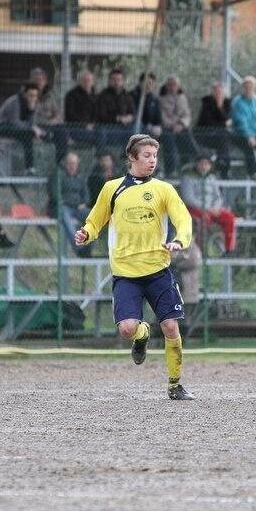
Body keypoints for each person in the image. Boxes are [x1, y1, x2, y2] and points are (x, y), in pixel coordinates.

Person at [75, 134, 194, 400]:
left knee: (172, 327)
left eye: (155, 156)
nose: (152, 161)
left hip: (158, 270)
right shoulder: (112, 189)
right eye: (147, 156)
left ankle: (175, 385)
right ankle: (142, 334)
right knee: (127, 329)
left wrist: (179, 240)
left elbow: (183, 220)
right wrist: (86, 232)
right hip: (126, 273)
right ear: (132, 158)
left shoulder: (164, 190)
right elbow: (95, 221)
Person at [180, 153, 236, 254]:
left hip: (212, 209)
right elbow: (188, 198)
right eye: (202, 163)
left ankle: (229, 250)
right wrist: (206, 208)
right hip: (195, 209)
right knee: (204, 219)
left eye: (206, 164)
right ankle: (200, 253)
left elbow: (218, 197)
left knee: (229, 217)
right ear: (196, 164)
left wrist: (216, 207)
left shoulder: (212, 178)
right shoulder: (188, 177)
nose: (204, 166)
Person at [0, 82, 43, 175]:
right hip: (1, 127)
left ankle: (29, 168)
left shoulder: (34, 103)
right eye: (31, 95)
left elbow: (31, 122)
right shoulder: (15, 101)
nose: (33, 98)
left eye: (35, 95)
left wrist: (31, 110)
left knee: (28, 137)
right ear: (25, 94)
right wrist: (31, 127)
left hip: (17, 129)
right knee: (29, 132)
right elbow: (15, 123)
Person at [50, 152, 91, 258]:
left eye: (75, 164)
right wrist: (74, 203)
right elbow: (56, 196)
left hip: (79, 208)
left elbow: (86, 195)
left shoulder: (80, 177)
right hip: (63, 208)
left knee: (94, 216)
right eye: (70, 163)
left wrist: (84, 203)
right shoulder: (58, 175)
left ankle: (88, 247)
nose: (72, 166)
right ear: (65, 164)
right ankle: (78, 247)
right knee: (64, 213)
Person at [158, 76, 195, 176]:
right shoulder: (161, 100)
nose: (172, 87)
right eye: (170, 85)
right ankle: (170, 170)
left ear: (178, 86)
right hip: (167, 128)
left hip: (181, 127)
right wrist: (173, 125)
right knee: (169, 141)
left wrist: (181, 124)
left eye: (174, 85)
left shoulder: (183, 99)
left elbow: (187, 115)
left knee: (187, 137)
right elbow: (162, 116)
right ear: (166, 86)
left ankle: (188, 164)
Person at [196, 81, 231, 177]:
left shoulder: (227, 103)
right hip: (206, 135)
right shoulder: (206, 103)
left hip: (221, 136)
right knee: (224, 135)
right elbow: (208, 122)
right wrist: (223, 122)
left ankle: (222, 164)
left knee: (225, 137)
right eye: (216, 92)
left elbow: (228, 119)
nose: (218, 94)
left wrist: (220, 107)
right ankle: (221, 163)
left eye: (220, 92)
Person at [95, 68, 135, 151]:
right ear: (109, 81)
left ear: (123, 81)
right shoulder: (103, 96)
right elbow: (101, 116)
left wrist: (130, 117)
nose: (116, 82)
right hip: (108, 127)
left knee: (135, 129)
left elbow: (133, 112)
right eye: (114, 79)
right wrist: (118, 118)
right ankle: (104, 157)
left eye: (119, 79)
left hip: (124, 128)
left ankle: (128, 157)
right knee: (101, 131)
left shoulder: (127, 96)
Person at [63, 70, 98, 152]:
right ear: (79, 81)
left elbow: (98, 113)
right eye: (84, 80)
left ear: (93, 82)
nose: (87, 83)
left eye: (89, 80)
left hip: (94, 128)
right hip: (76, 129)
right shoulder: (71, 95)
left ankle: (105, 160)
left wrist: (93, 124)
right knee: (99, 137)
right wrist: (85, 125)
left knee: (103, 134)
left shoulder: (95, 96)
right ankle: (105, 161)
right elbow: (70, 115)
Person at [131, 72, 162, 139]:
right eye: (146, 83)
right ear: (140, 83)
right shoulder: (132, 96)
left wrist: (157, 125)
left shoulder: (154, 99)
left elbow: (158, 117)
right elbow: (134, 113)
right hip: (136, 126)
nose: (148, 86)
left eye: (150, 83)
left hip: (151, 128)